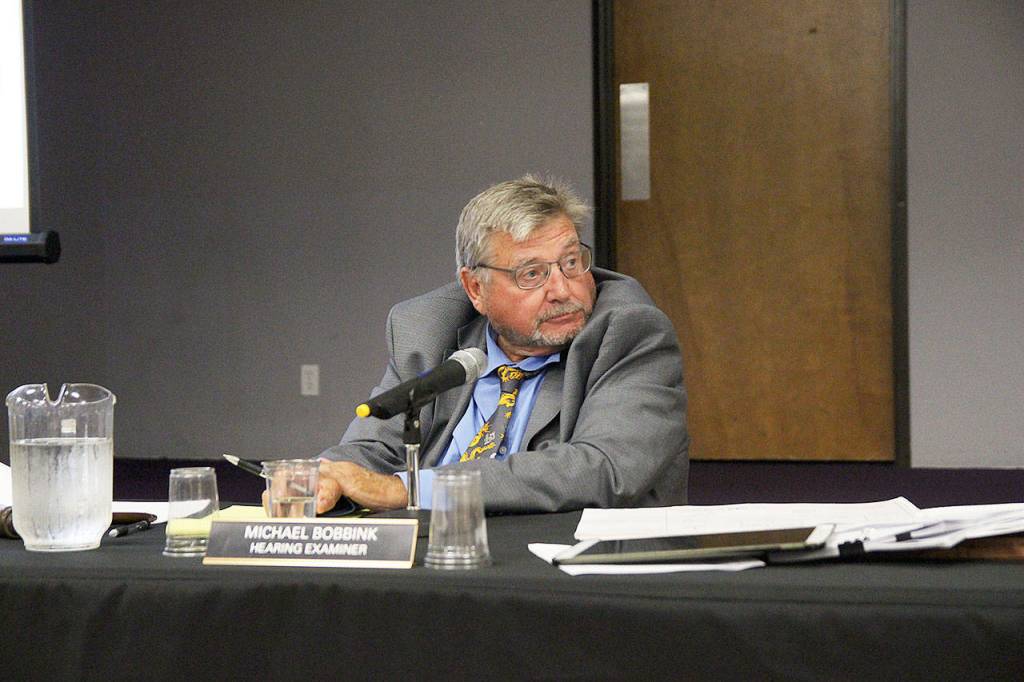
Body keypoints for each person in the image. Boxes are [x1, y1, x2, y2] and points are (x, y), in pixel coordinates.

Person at [315, 175, 688, 514]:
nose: (562, 290)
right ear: (475, 288)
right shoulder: (427, 330)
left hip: (563, 568)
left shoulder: (629, 331)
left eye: (572, 262)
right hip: (435, 560)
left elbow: (602, 468)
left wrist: (411, 489)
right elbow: (373, 450)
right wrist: (321, 479)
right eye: (531, 274)